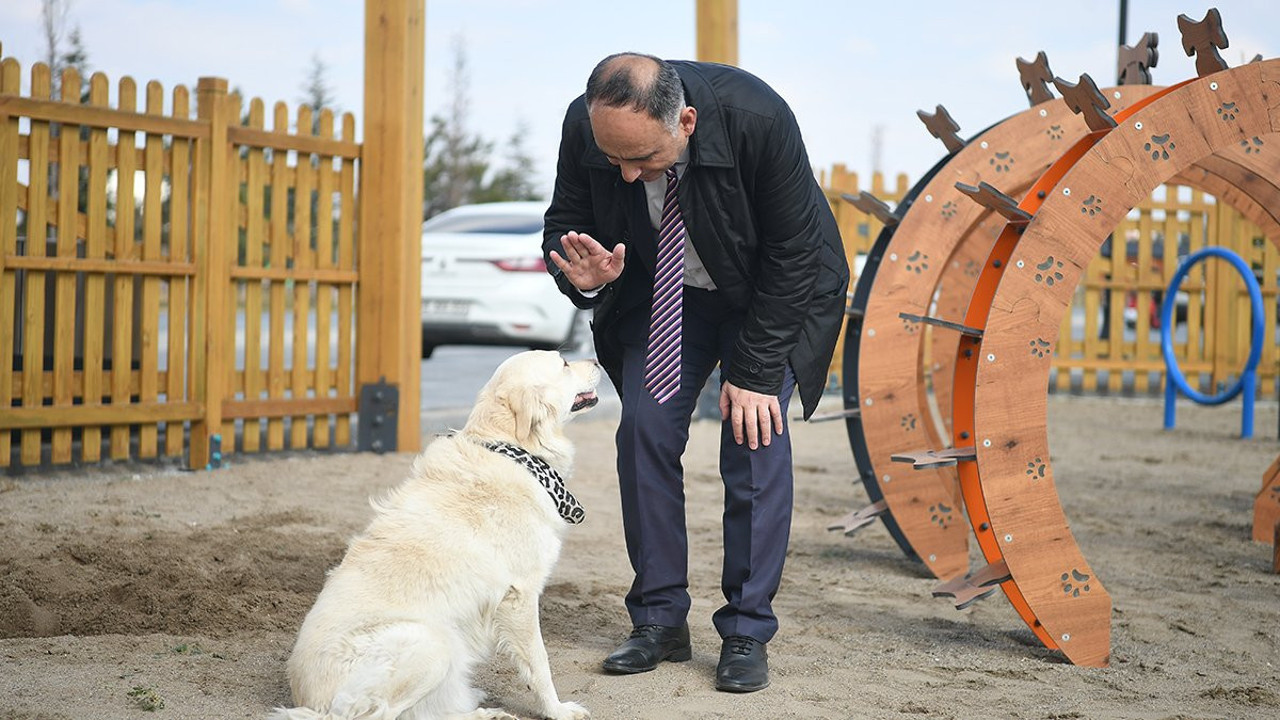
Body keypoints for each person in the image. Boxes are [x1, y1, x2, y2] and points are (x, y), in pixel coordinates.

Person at [542, 52, 848, 694]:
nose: (625, 174)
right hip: (669, 296)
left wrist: (758, 371)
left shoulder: (756, 117)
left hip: (769, 294)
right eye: (613, 159)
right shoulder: (588, 125)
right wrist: (578, 271)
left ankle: (745, 629)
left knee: (752, 436)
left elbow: (796, 253)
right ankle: (658, 621)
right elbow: (565, 223)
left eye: (643, 160)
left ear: (685, 121)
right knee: (644, 432)